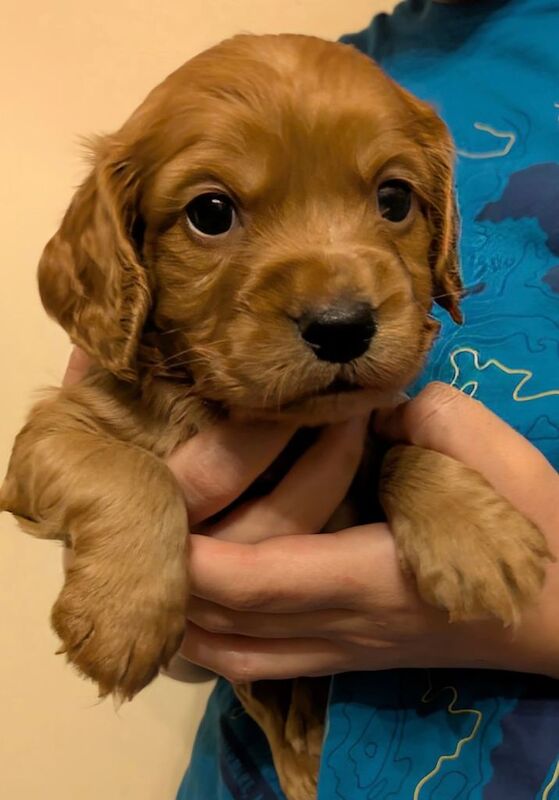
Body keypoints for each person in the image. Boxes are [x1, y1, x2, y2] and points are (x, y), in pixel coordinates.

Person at [66, 0, 559, 796]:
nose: (335, 299)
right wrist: (176, 572)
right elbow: (181, 630)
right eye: (212, 213)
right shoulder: (340, 64)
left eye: (392, 202)